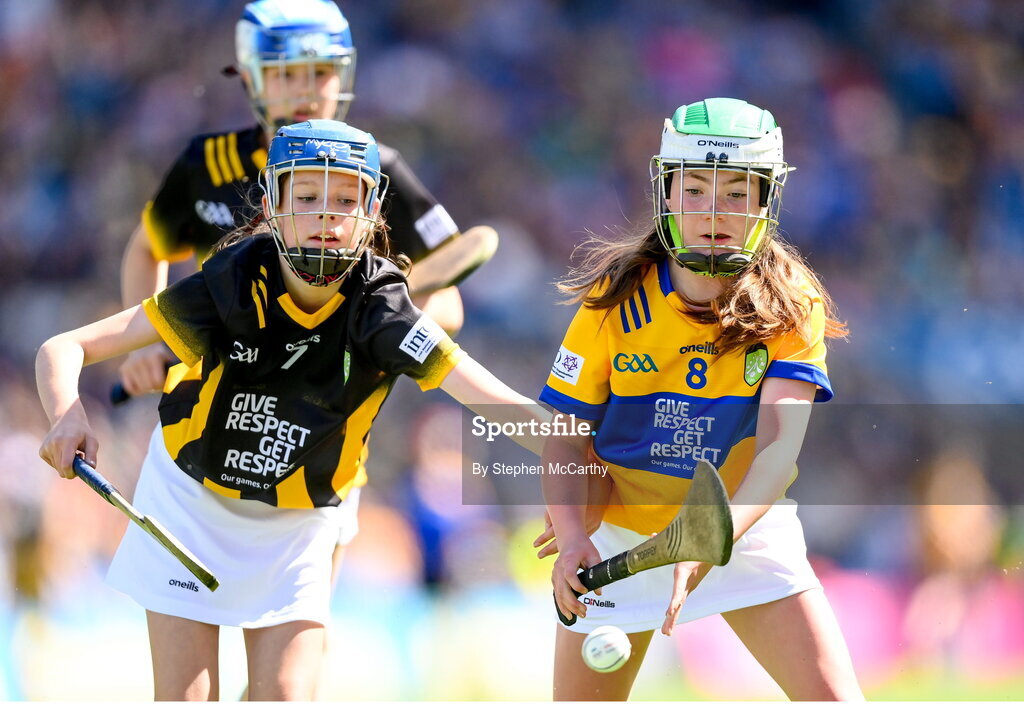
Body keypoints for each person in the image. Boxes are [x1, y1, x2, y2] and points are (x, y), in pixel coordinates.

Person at [37, 120, 546, 701]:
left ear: (374, 213)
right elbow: (64, 347)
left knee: (284, 693)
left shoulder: (386, 314)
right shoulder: (228, 284)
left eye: (346, 199)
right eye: (306, 197)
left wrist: (586, 459)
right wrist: (67, 412)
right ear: (274, 204)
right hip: (189, 503)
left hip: (301, 521)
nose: (327, 215)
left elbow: (501, 404)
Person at [535, 98, 863, 701]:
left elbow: (777, 454)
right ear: (666, 193)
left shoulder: (792, 303)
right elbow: (565, 432)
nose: (715, 211)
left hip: (742, 528)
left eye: (738, 193)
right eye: (696, 190)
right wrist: (571, 533)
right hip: (620, 538)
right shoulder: (614, 299)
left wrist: (715, 539)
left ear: (766, 202)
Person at [119, 0, 466, 399]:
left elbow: (448, 301)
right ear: (249, 79)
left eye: (320, 72)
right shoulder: (207, 165)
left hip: (326, 427)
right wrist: (141, 347)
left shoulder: (376, 172)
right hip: (210, 409)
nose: (305, 90)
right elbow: (146, 249)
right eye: (285, 74)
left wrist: (377, 329)